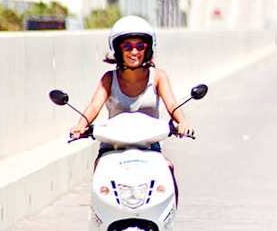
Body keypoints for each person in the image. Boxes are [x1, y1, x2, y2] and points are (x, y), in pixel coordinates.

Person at [69, 16, 195, 172]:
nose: (134, 52)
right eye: (127, 47)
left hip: (148, 143)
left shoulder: (158, 77)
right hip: (113, 144)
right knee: (101, 169)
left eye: (140, 46)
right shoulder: (109, 78)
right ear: (118, 49)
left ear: (148, 49)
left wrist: (182, 122)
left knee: (167, 168)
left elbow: (172, 104)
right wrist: (81, 125)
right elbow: (94, 106)